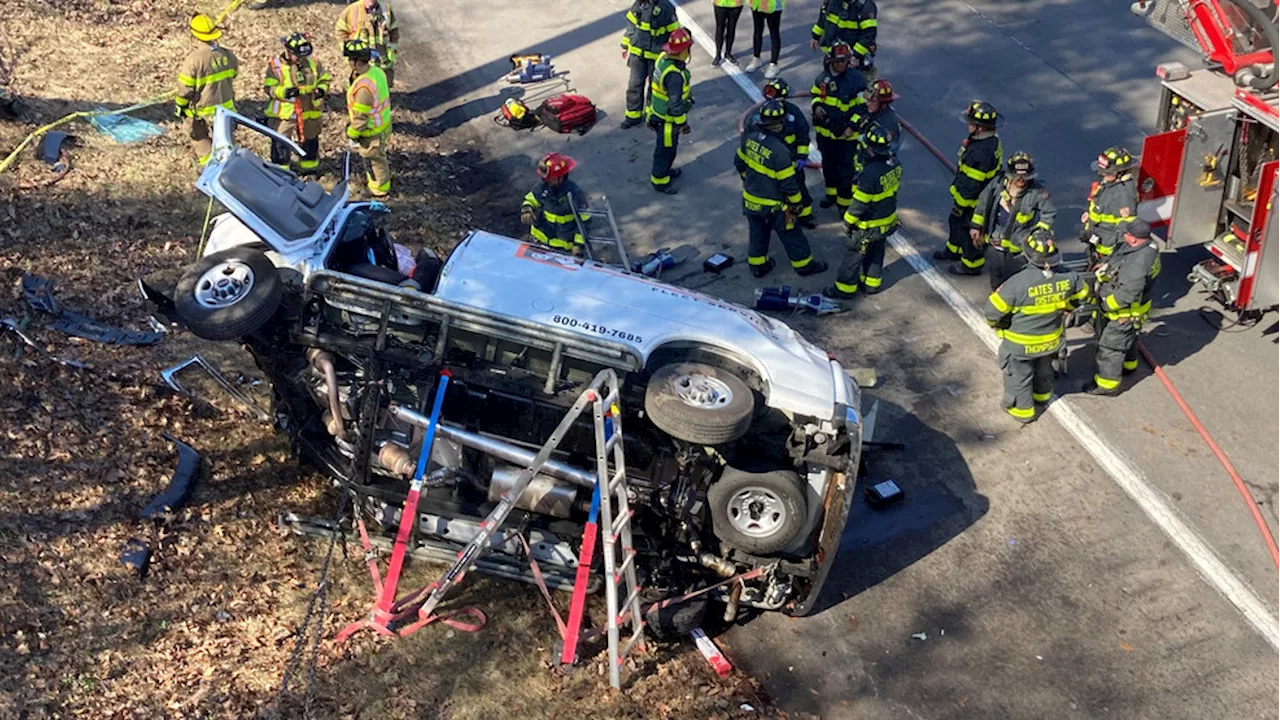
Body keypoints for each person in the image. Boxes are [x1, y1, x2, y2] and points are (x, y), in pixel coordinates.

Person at [984, 229, 1089, 423]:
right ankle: (1042, 397)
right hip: (1051, 341)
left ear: (1028, 255)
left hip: (1021, 345)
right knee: (1044, 369)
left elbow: (992, 313)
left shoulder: (1016, 284)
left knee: (1019, 377)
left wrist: (997, 325)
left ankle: (1022, 411)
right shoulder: (1069, 277)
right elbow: (1083, 293)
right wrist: (1068, 306)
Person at [734, 100, 828, 279]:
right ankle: (804, 265)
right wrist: (796, 204)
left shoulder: (750, 138)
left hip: (751, 199)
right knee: (791, 233)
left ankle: (758, 265)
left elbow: (739, 163)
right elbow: (788, 184)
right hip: (774, 205)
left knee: (757, 232)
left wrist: (750, 182)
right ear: (780, 124)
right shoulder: (780, 152)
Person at [1085, 219, 1161, 396]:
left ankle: (1106, 386)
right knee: (1130, 338)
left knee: (1111, 347)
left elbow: (1127, 294)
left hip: (1123, 314)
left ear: (1134, 239)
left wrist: (1105, 305)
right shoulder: (1148, 247)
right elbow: (1123, 257)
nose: (1123, 235)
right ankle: (1129, 365)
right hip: (1136, 313)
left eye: (1126, 233)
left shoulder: (1137, 264)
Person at [825, 122, 899, 299]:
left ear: (871, 150)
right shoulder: (896, 164)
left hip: (867, 225)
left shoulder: (869, 175)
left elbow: (860, 204)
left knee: (852, 255)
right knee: (876, 253)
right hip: (886, 221)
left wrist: (848, 221)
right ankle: (871, 284)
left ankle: (844, 289)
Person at [967, 152, 1056, 289]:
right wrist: (976, 226)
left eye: (1025, 177)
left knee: (1016, 276)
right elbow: (983, 204)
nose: (1021, 181)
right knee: (996, 272)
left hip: (1019, 244)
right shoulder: (997, 184)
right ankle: (997, 297)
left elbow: (1049, 213)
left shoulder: (1037, 192)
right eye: (1018, 177)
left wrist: (1038, 234)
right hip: (996, 239)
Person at [934, 100, 1002, 273]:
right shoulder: (988, 140)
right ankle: (954, 251)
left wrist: (961, 204)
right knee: (955, 223)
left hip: (973, 202)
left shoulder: (980, 152)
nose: (968, 126)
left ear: (980, 127)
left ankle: (971, 266)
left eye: (971, 123)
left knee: (969, 231)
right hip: (974, 197)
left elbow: (972, 184)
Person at [810, 41, 866, 213]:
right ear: (830, 61)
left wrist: (852, 126)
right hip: (825, 134)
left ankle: (844, 204)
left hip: (846, 136)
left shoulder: (856, 80)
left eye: (844, 61)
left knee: (845, 170)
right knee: (828, 166)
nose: (841, 64)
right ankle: (831, 195)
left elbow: (862, 108)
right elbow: (815, 95)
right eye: (838, 61)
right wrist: (816, 105)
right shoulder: (822, 78)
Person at [750, 78, 815, 227]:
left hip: (792, 164)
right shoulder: (761, 116)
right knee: (776, 194)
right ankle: (778, 219)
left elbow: (803, 136)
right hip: (772, 165)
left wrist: (801, 157)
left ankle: (805, 216)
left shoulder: (794, 114)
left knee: (799, 189)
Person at [175, 14, 239, 165]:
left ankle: (209, 167)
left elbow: (185, 89)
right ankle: (229, 168)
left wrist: (180, 106)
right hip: (226, 109)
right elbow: (234, 74)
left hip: (203, 111)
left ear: (194, 35)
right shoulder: (228, 55)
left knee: (198, 136)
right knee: (226, 142)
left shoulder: (194, 60)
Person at [264, 33, 330, 174]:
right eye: (297, 56)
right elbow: (269, 88)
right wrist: (285, 92)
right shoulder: (276, 66)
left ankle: (309, 168)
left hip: (309, 110)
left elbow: (324, 79)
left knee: (310, 141)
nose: (301, 59)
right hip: (285, 112)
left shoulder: (314, 63)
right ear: (288, 51)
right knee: (280, 141)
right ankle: (281, 171)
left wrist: (321, 90)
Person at [646, 28, 695, 194]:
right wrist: (683, 123)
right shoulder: (674, 76)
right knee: (666, 151)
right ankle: (660, 180)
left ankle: (664, 172)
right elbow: (675, 105)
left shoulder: (663, 58)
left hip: (658, 113)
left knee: (665, 150)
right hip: (668, 120)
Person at [621, 0, 681, 129]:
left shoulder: (666, 8)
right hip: (638, 54)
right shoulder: (638, 5)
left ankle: (651, 115)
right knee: (634, 84)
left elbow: (673, 32)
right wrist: (626, 44)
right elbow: (631, 25)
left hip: (656, 55)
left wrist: (674, 54)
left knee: (654, 87)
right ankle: (633, 116)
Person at [343, 39, 392, 197]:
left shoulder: (364, 88)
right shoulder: (376, 72)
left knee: (374, 161)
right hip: (382, 125)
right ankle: (378, 183)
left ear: (356, 61)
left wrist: (352, 133)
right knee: (378, 158)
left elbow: (361, 119)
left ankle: (379, 189)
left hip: (371, 133)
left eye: (350, 59)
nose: (349, 63)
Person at [520, 153, 591, 253]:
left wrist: (578, 245)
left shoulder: (575, 194)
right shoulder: (543, 187)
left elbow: (585, 222)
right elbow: (531, 199)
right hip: (540, 241)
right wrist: (526, 209)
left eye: (550, 178)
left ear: (561, 177)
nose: (547, 181)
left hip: (564, 248)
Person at [1083, 146, 1139, 267]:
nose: (1103, 175)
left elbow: (1125, 230)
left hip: (1108, 250)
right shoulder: (1109, 183)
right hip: (1097, 239)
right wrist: (1089, 214)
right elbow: (1100, 203)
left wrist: (1110, 261)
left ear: (1121, 173)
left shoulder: (1124, 196)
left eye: (1107, 173)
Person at [334, 0, 399, 88]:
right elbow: (340, 32)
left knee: (382, 92)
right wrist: (349, 50)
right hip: (361, 64)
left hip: (382, 63)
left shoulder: (385, 10)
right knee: (361, 91)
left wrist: (392, 48)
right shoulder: (352, 10)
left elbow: (394, 29)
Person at [810, 0, 877, 81]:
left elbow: (868, 34)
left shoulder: (865, 5)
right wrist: (815, 36)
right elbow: (823, 18)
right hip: (834, 56)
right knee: (832, 86)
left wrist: (855, 55)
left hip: (855, 60)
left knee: (860, 86)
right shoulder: (831, 2)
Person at [743, 0, 784, 79]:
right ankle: (756, 59)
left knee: (774, 34)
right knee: (757, 32)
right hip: (757, 4)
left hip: (773, 6)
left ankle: (773, 65)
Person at [712, 0, 744, 67]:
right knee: (720, 29)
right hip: (720, 3)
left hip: (736, 4)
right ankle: (718, 55)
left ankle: (728, 53)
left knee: (731, 29)